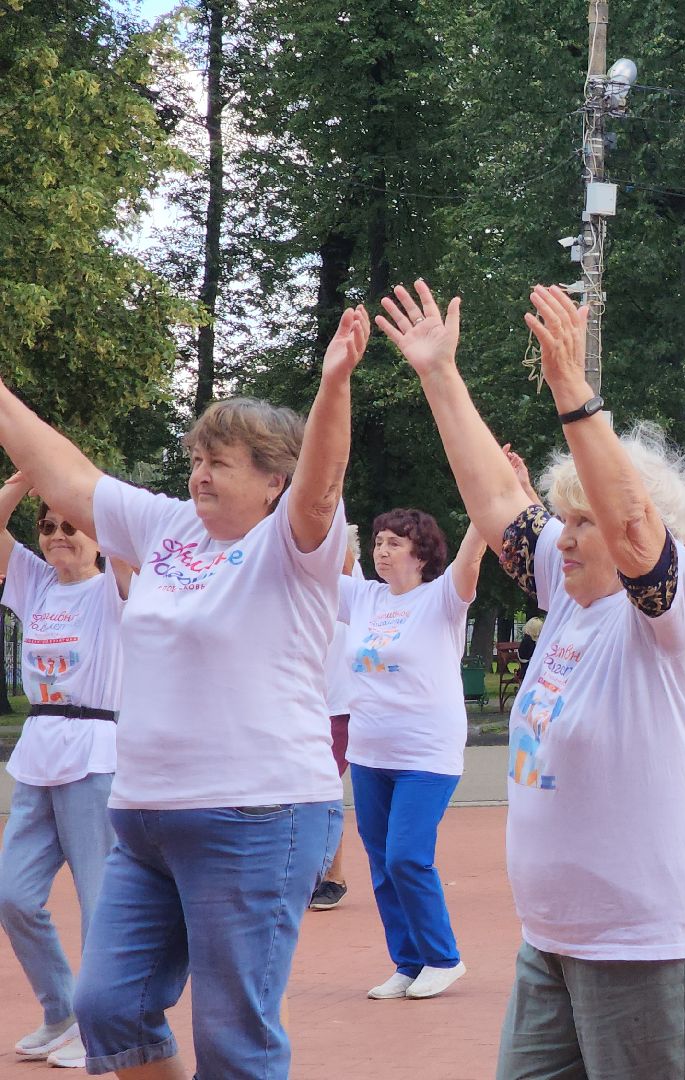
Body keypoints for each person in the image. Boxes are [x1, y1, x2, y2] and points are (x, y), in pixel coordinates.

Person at [385, 280, 685, 1076]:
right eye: (563, 519)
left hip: (653, 943)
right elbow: (493, 501)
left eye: (585, 522)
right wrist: (440, 375)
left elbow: (633, 522)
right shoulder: (570, 594)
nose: (565, 536)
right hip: (555, 939)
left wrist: (571, 390)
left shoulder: (671, 615)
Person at [0, 306, 367, 1078]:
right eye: (197, 456)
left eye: (221, 461)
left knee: (234, 1038)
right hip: (146, 820)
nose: (199, 472)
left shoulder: (294, 544)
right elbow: (67, 474)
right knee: (110, 1011)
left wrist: (335, 383)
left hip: (257, 814)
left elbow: (324, 479)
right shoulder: (167, 529)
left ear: (274, 480)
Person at [0, 475, 129, 1069]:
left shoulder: (114, 590)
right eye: (46, 526)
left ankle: (103, 1027)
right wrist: (27, 476)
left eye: (68, 525)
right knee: (13, 895)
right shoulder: (36, 584)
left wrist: (83, 495)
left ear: (96, 537)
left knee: (98, 900)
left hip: (95, 750)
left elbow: (126, 534)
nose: (56, 535)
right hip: (38, 752)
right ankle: (62, 1009)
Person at [338, 510, 486, 1002]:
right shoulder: (361, 596)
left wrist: (487, 500)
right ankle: (409, 962)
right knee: (381, 864)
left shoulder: (442, 597)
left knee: (406, 856)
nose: (382, 550)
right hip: (368, 752)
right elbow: (306, 565)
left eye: (394, 543)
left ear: (421, 553)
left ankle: (444, 959)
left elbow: (472, 552)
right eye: (378, 542)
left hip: (426, 753)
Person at [311, 524, 363, 913]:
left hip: (340, 706)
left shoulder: (356, 586)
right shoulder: (304, 584)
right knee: (305, 788)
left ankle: (334, 875)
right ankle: (312, 870)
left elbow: (342, 556)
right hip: (304, 703)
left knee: (325, 786)